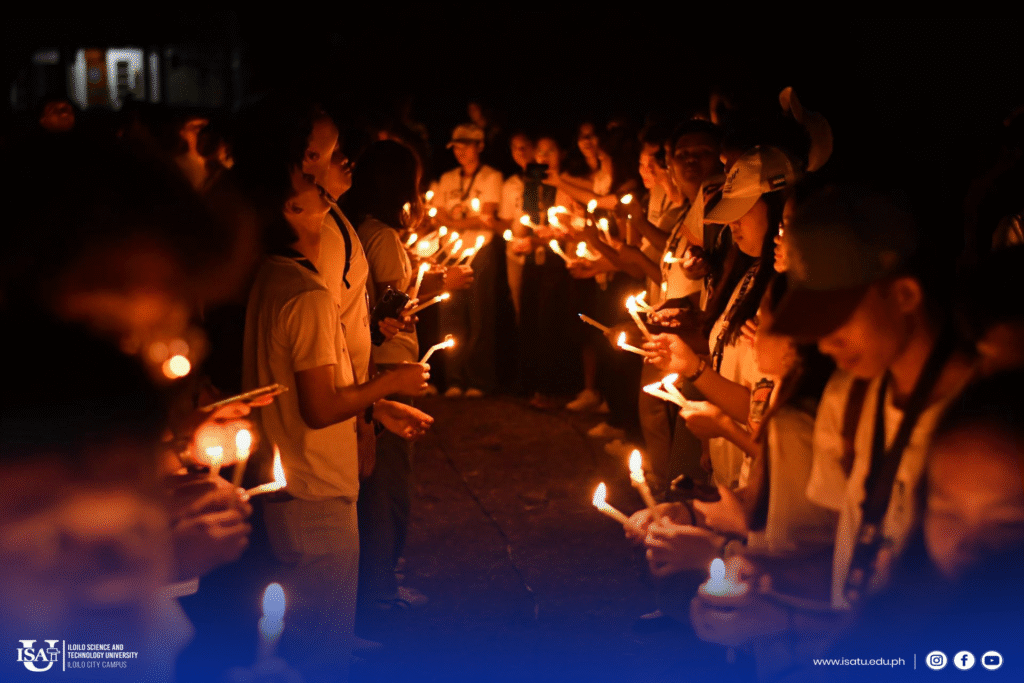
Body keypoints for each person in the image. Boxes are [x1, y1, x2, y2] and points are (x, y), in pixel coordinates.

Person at [242, 162, 432, 683]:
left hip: (289, 479)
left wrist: (377, 408)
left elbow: (306, 386)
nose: (324, 195)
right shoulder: (309, 296)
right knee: (321, 654)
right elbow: (320, 407)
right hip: (317, 484)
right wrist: (391, 383)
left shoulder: (272, 276)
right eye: (313, 192)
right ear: (290, 211)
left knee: (302, 641)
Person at [348, 139, 433, 625]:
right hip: (388, 368)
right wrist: (433, 290)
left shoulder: (360, 228)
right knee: (387, 482)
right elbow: (389, 309)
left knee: (377, 479)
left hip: (376, 365)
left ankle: (375, 581)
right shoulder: (380, 236)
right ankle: (379, 587)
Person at [432, 123, 504, 397]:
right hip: (449, 252)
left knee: (479, 314)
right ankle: (454, 378)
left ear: (480, 146)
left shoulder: (492, 177)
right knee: (451, 313)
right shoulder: (447, 178)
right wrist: (465, 221)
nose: (460, 151)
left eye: (466, 145)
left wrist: (452, 221)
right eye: (456, 146)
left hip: (480, 251)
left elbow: (487, 216)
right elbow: (439, 214)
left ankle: (478, 379)